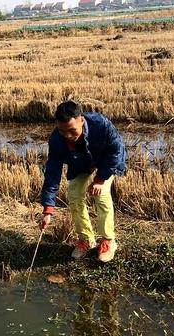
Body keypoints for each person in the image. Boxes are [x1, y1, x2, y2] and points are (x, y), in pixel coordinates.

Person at [38, 100, 126, 262]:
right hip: (80, 162)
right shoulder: (57, 139)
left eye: (72, 130)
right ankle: (86, 239)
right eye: (62, 131)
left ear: (81, 120)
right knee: (73, 193)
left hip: (105, 161)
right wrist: (48, 209)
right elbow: (52, 173)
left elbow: (116, 150)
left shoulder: (101, 125)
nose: (68, 136)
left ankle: (108, 240)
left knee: (101, 193)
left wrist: (100, 179)